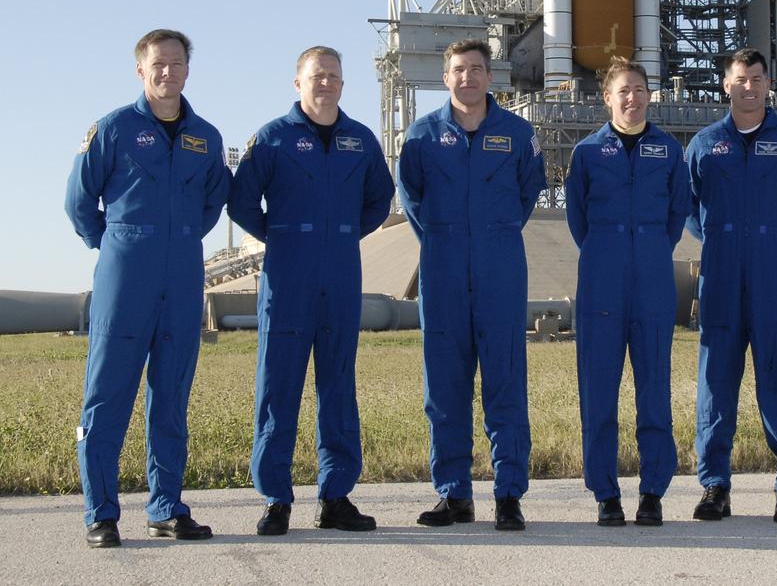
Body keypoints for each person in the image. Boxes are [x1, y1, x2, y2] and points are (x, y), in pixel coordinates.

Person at [65, 29, 231, 548]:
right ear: (142, 69)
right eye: (158, 64)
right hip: (124, 281)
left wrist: (173, 244)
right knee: (107, 397)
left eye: (176, 63)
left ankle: (166, 507)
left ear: (188, 69)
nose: (167, 72)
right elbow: (78, 203)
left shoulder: (206, 136)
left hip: (182, 279)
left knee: (172, 399)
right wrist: (120, 245)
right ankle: (101, 514)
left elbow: (212, 205)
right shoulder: (113, 129)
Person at [228, 46, 394, 536]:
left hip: (341, 271)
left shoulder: (360, 140)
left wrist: (338, 234)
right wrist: (282, 234)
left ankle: (336, 495)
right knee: (278, 386)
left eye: (334, 77)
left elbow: (378, 201)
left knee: (338, 386)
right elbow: (240, 202)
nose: (326, 84)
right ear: (297, 83)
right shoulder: (272, 139)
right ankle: (276, 499)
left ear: (344, 85)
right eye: (317, 76)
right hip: (288, 274)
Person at [398, 38, 547, 531]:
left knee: (505, 382)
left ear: (490, 76)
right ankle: (454, 495)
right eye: (459, 70)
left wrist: (493, 234)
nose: (468, 78)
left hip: (500, 269)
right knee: (445, 387)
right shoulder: (421, 136)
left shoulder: (518, 133)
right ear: (446, 78)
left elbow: (528, 193)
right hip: (441, 272)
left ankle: (509, 494)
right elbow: (412, 199)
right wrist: (444, 240)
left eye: (477, 69)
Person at [684, 48, 777, 524]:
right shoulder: (704, 144)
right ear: (725, 84)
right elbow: (686, 207)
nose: (749, 87)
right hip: (722, 275)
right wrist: (721, 241)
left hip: (774, 276)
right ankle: (714, 486)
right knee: (715, 383)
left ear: (770, 83)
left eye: (757, 79)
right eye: (740, 79)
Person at [565, 57, 691, 528]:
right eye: (624, 91)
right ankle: (606, 493)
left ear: (649, 96)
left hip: (654, 280)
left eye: (640, 90)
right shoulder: (587, 153)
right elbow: (579, 219)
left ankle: (653, 491)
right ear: (608, 98)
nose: (632, 98)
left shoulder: (669, 151)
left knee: (653, 388)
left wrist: (652, 247)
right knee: (599, 390)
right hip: (601, 280)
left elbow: (677, 213)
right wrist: (608, 249)